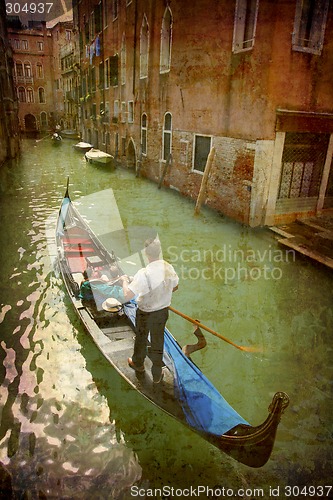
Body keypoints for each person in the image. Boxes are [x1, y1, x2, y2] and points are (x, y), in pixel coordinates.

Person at [120, 237, 179, 384]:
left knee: (141, 338)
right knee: (158, 341)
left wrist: (125, 282)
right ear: (159, 252)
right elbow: (175, 287)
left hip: (145, 313)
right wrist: (162, 293)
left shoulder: (144, 273)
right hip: (162, 312)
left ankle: (138, 364)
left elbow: (127, 295)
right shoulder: (168, 268)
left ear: (146, 253)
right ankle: (157, 374)